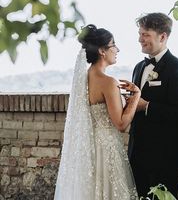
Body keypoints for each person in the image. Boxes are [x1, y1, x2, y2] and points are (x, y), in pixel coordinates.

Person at [54, 24, 140, 200]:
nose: (117, 49)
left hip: (89, 149)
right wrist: (136, 97)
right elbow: (121, 123)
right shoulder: (108, 82)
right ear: (102, 50)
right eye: (113, 44)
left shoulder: (83, 79)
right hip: (107, 150)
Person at [128, 12, 178, 198]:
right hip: (137, 156)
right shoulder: (138, 68)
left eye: (145, 34)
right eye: (140, 34)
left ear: (163, 37)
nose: (140, 39)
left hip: (164, 159)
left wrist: (146, 105)